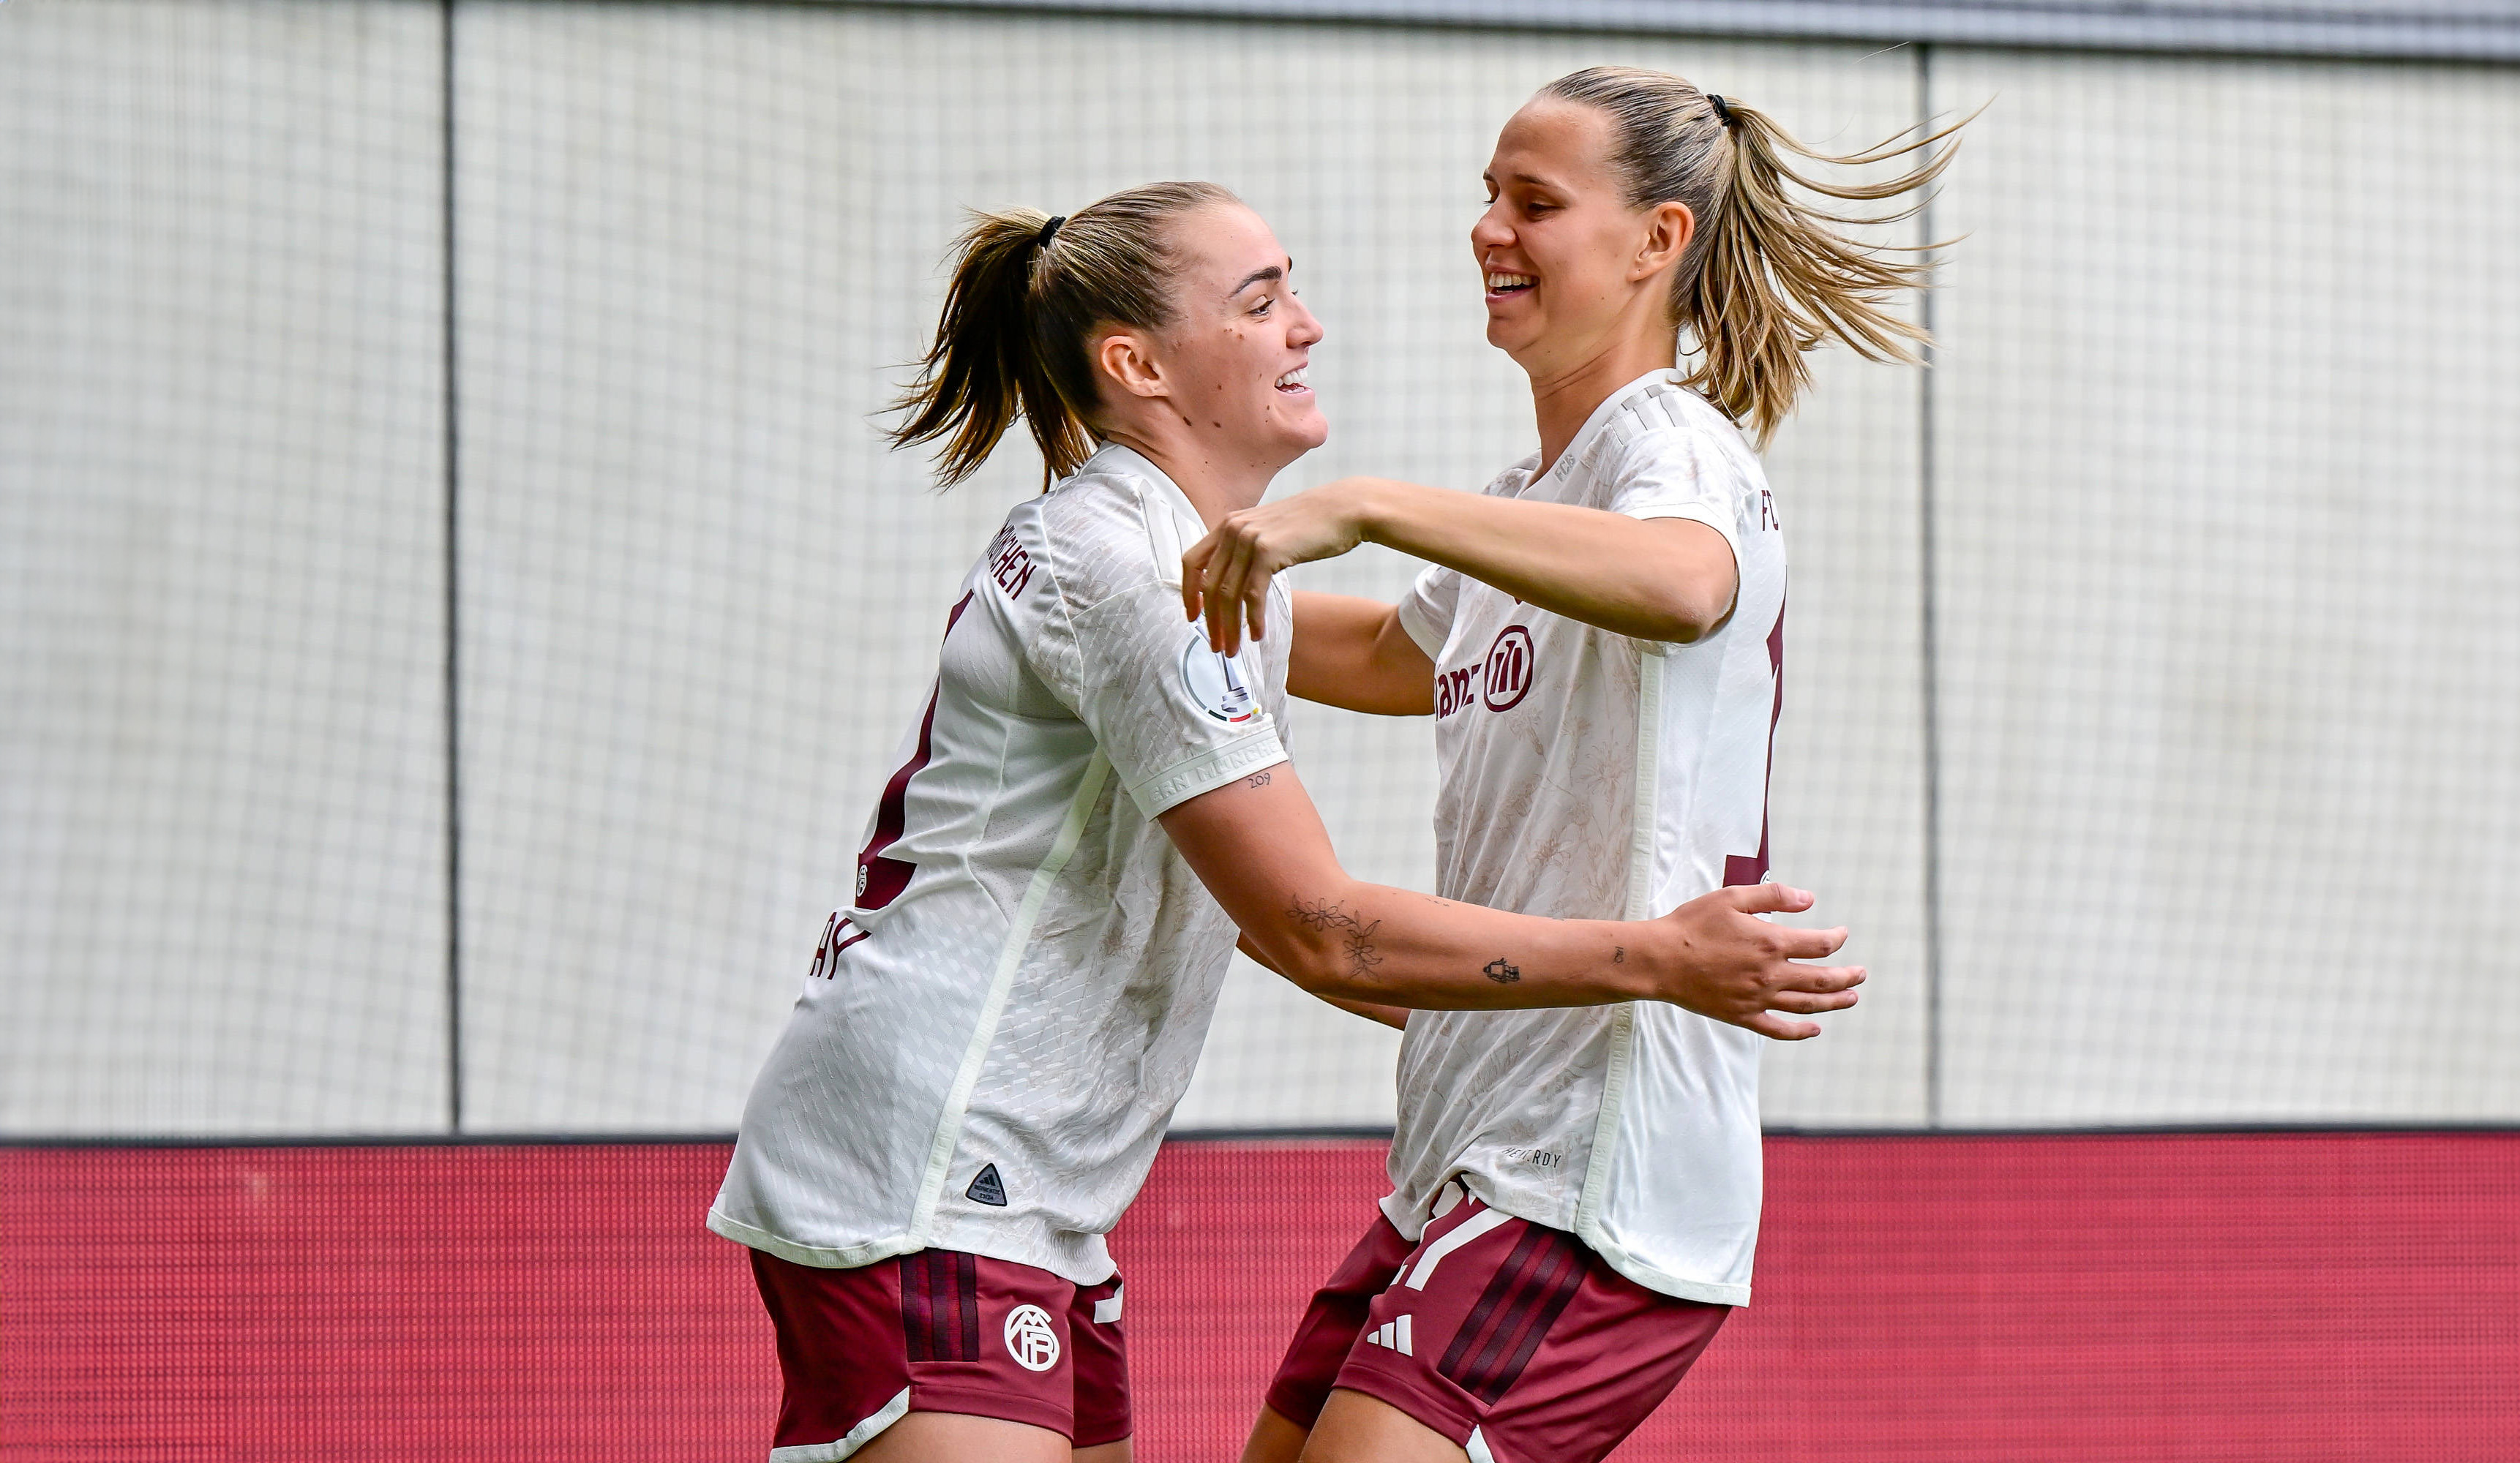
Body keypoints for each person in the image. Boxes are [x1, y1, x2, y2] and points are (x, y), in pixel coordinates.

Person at [708, 179, 1866, 1463]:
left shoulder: (1195, 570)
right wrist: (1652, 960)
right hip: (935, 1172)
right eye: (1261, 302)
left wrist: (1535, 1012)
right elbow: (1317, 927)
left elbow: (1368, 709)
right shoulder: (1141, 578)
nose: (1307, 326)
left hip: (1020, 1187)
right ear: (1137, 363)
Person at [1182, 70, 1961, 1463]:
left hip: (1597, 1167)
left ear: (1657, 242)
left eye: (1534, 203)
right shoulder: (1529, 504)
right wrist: (1153, 580)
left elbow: (1684, 584)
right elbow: (1384, 658)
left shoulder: (1672, 446)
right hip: (1468, 1153)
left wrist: (1364, 505)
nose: (1490, 229)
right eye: (1488, 194)